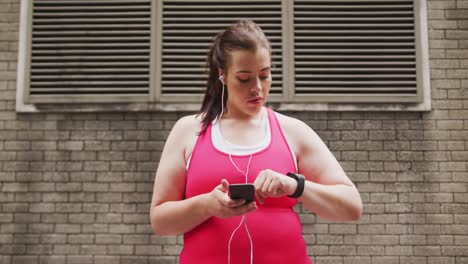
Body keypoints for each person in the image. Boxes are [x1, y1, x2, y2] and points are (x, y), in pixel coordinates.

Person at [150, 19, 362, 264]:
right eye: (244, 78)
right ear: (223, 75)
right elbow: (160, 221)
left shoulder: (293, 131)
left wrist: (295, 185)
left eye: (265, 75)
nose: (258, 88)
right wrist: (207, 205)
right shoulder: (189, 131)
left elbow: (352, 206)